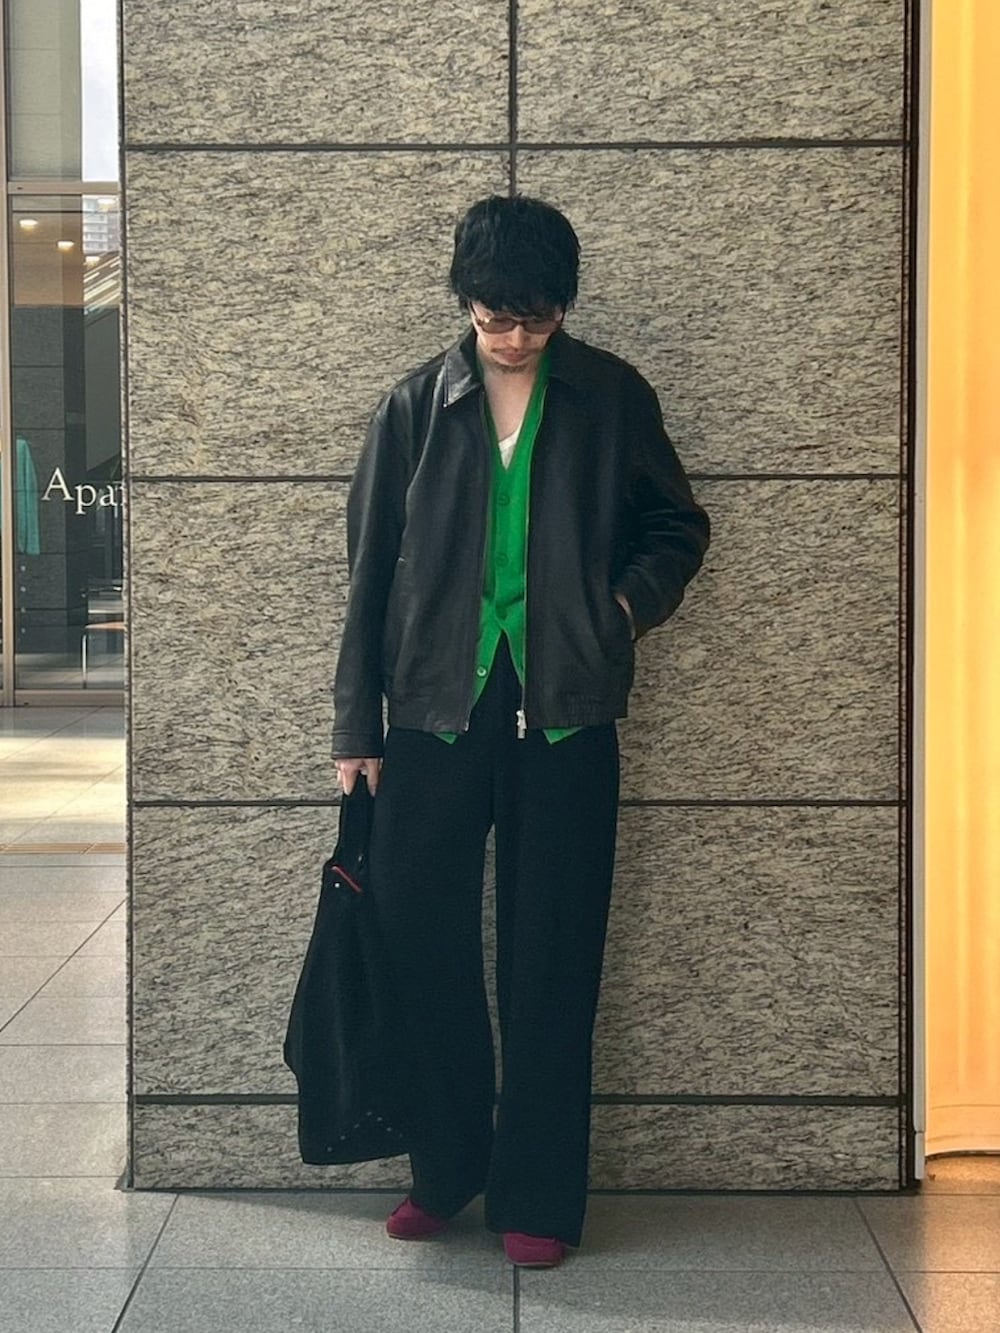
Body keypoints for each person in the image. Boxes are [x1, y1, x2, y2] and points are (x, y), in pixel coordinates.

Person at [332, 194, 710, 1267]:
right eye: (494, 317)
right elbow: (369, 573)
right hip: (432, 719)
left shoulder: (609, 396)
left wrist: (617, 609)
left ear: (562, 308)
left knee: (554, 957)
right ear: (465, 302)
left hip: (566, 718)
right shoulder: (416, 406)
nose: (511, 337)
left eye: (534, 319)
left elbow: (677, 524)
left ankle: (538, 1192)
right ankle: (445, 1167)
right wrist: (357, 722)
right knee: (423, 946)